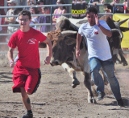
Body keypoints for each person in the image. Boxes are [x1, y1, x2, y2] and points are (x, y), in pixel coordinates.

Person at [7, 10, 52, 118]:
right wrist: (10, 59)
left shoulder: (36, 33)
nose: (23, 22)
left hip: (33, 68)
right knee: (23, 91)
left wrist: (48, 56)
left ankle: (37, 77)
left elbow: (48, 42)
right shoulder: (16, 35)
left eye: (25, 20)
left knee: (29, 91)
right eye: (21, 20)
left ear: (30, 20)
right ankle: (29, 113)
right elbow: (10, 50)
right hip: (20, 68)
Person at [76, 7, 124, 107]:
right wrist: (77, 48)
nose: (90, 19)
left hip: (106, 56)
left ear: (96, 16)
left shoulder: (102, 24)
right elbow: (79, 35)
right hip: (94, 55)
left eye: (92, 17)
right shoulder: (83, 27)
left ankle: (119, 98)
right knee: (93, 69)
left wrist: (98, 24)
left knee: (111, 78)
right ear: (86, 17)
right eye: (89, 17)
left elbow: (110, 34)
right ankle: (100, 91)